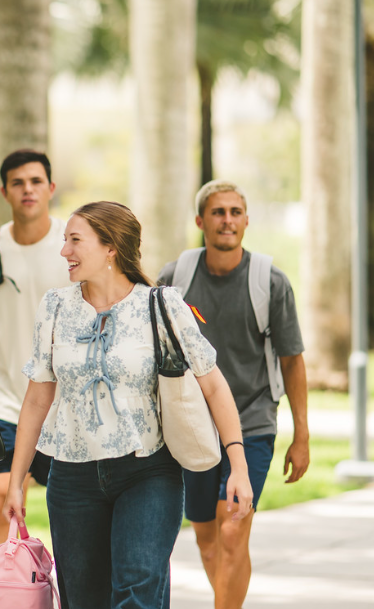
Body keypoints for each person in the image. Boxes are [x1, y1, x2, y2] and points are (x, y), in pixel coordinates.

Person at [3, 201, 254, 609]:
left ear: (110, 248)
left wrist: (237, 466)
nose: (64, 251)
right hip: (71, 476)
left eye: (74, 241)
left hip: (148, 469)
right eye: (65, 241)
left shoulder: (162, 305)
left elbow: (214, 385)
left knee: (138, 589)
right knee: (83, 599)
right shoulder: (55, 306)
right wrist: (16, 481)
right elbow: (37, 398)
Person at [157, 180, 309, 609]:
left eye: (235, 212)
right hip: (194, 428)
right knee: (207, 537)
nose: (227, 220)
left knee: (232, 528)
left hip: (254, 421)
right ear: (200, 221)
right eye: (218, 212)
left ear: (245, 220)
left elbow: (292, 360)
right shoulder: (175, 278)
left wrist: (302, 435)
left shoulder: (270, 281)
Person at [0, 149, 71, 572]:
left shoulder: (73, 246)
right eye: (18, 183)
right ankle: (1, 598)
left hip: (68, 407)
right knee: (2, 503)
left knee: (71, 519)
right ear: (4, 191)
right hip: (6, 404)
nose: (28, 190)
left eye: (36, 181)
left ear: (51, 188)